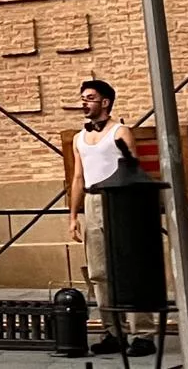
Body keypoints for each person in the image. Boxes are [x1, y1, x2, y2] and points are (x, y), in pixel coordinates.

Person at [69, 79, 158, 358]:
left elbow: (133, 169)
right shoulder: (79, 138)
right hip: (93, 200)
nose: (84, 102)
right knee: (99, 272)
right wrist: (73, 215)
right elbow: (78, 177)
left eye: (90, 97)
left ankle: (142, 333)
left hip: (121, 201)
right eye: (83, 97)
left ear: (105, 102)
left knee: (130, 267)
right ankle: (113, 332)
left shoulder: (120, 131)